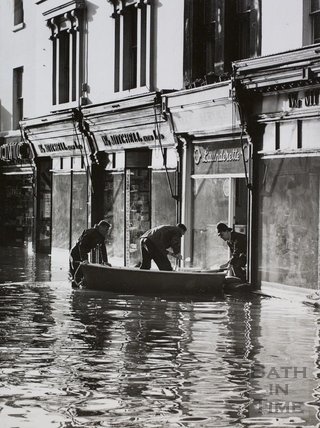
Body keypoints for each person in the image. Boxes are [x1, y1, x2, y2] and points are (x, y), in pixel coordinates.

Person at [69, 220, 111, 287]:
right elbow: (81, 245)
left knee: (83, 275)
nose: (107, 232)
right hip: (76, 254)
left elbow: (103, 249)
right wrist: (84, 259)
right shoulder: (90, 232)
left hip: (83, 253)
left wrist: (105, 261)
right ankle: (75, 293)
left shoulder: (101, 236)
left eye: (107, 230)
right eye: (106, 230)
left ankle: (80, 289)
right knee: (77, 276)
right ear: (101, 227)